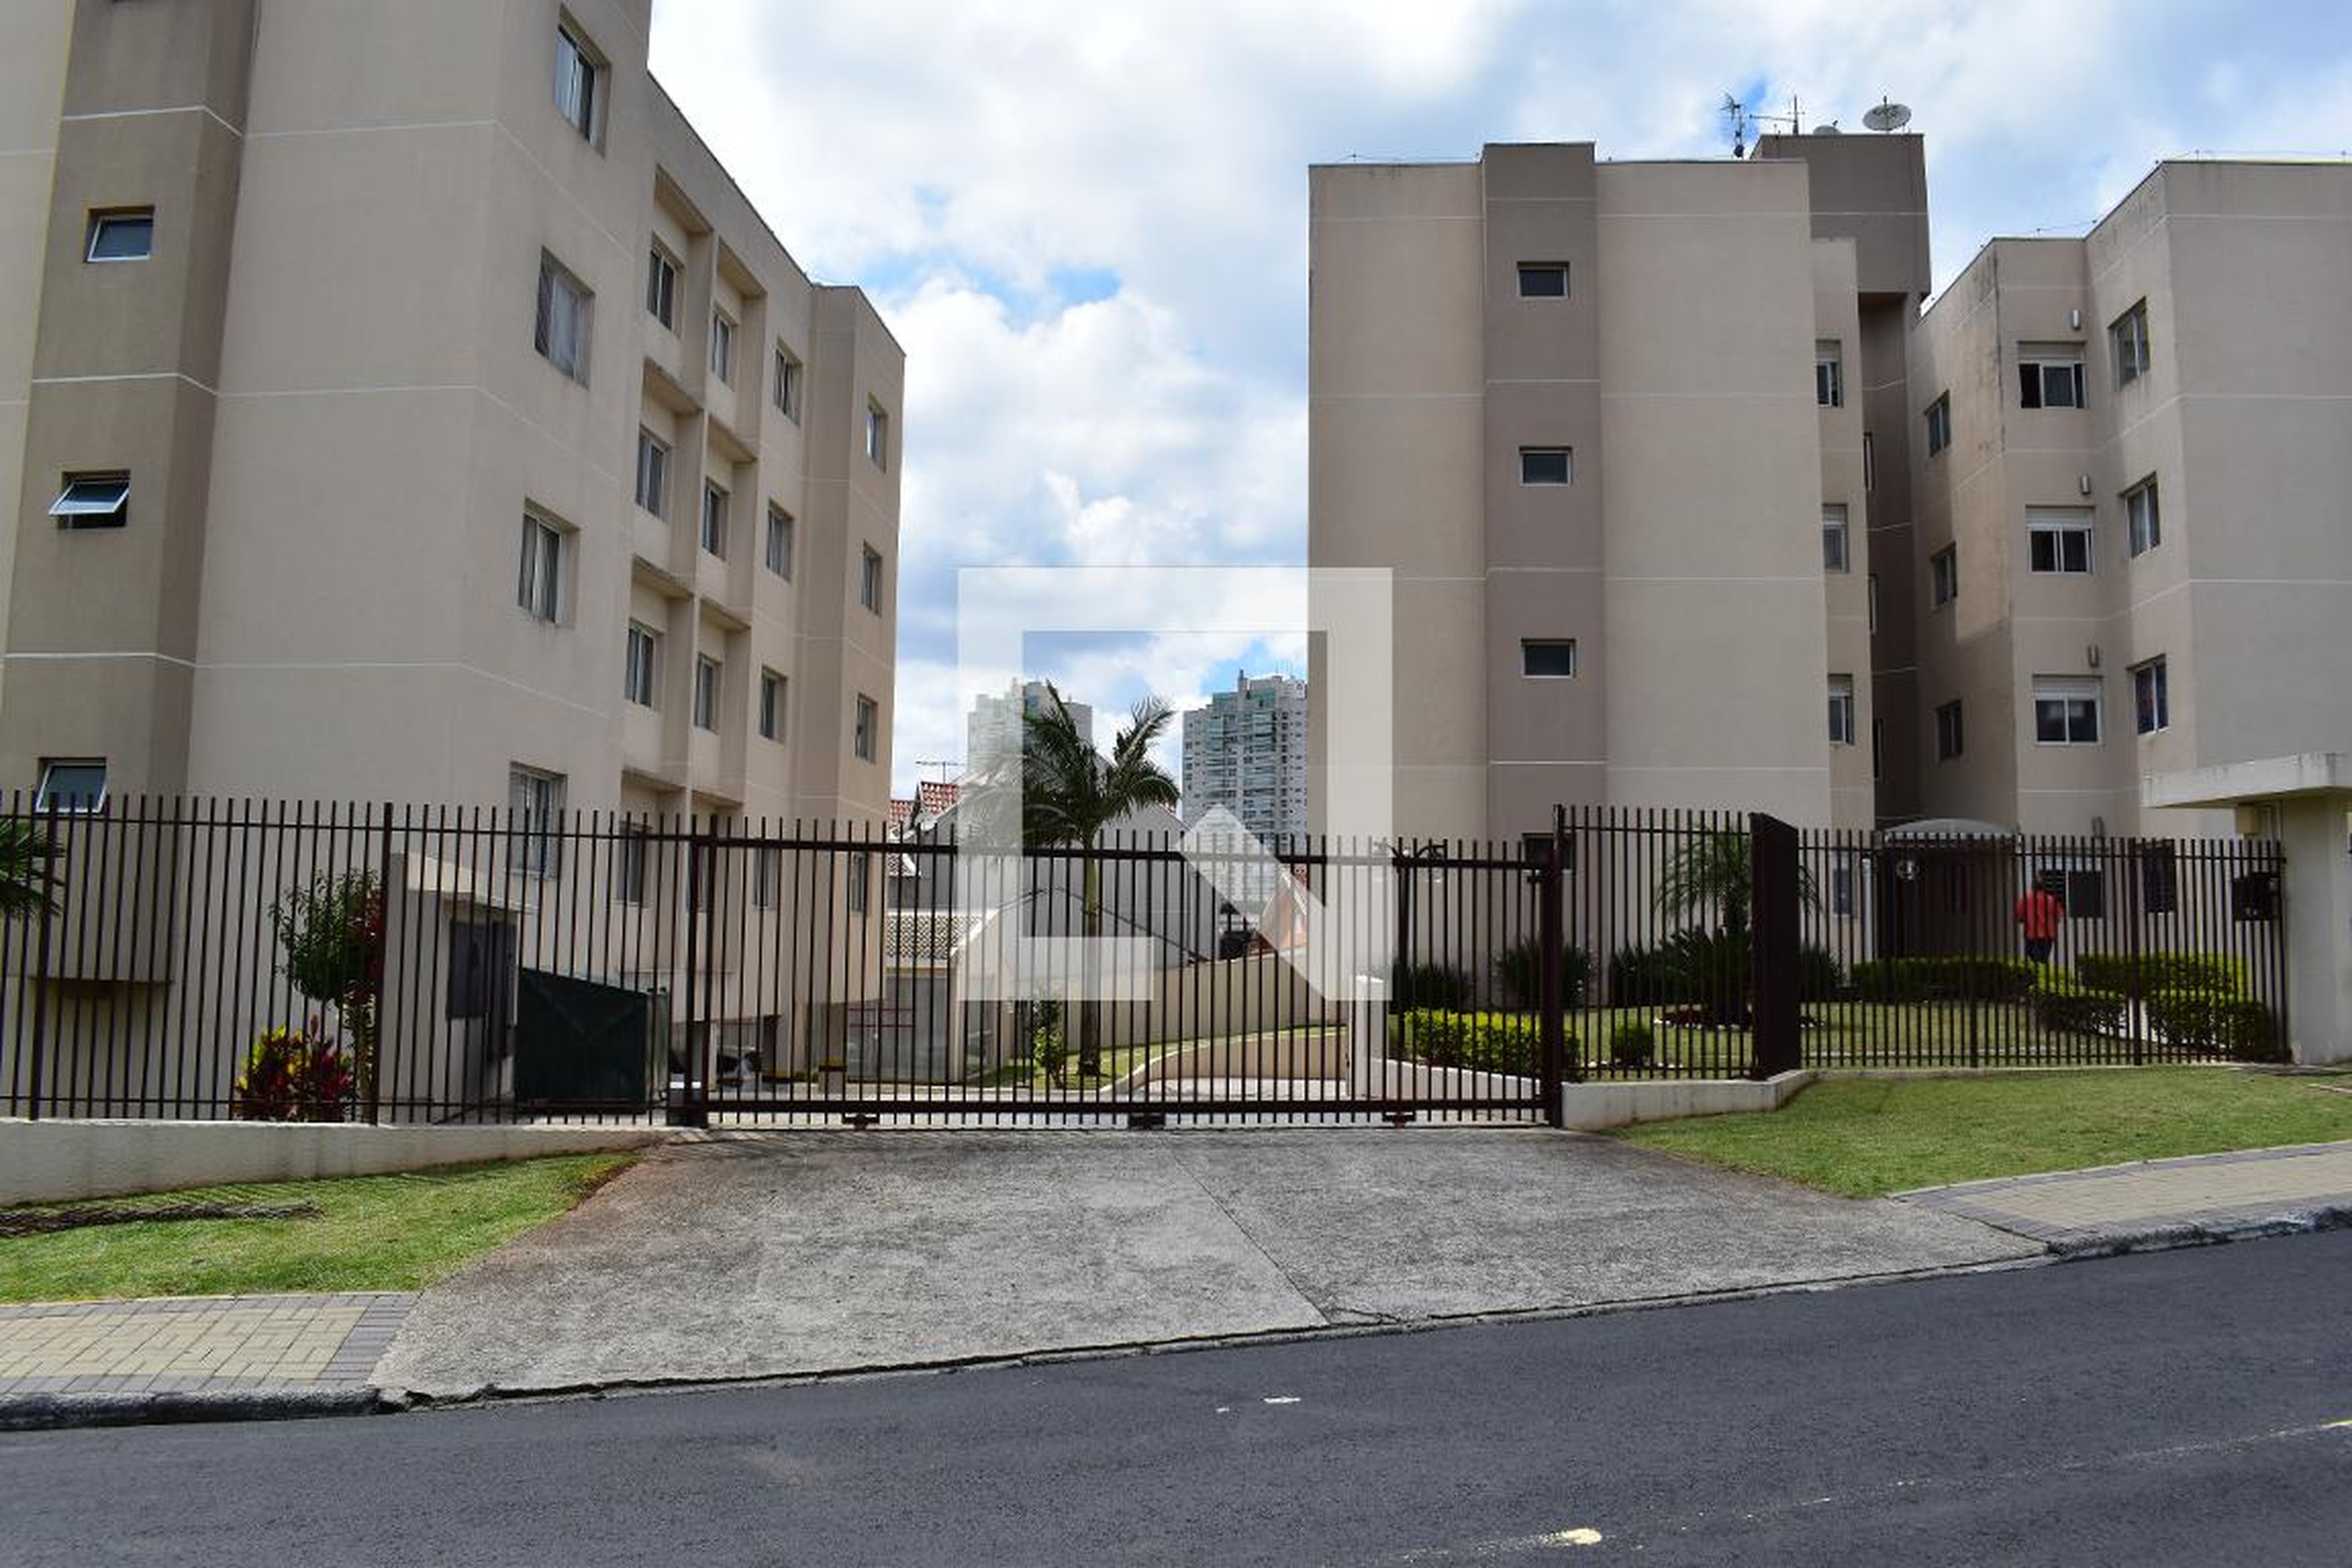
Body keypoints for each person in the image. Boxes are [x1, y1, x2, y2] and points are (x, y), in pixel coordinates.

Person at [2015, 881, 2064, 965]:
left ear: (2032, 888)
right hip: (2048, 936)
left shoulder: (2026, 899)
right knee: (2044, 960)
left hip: (2032, 935)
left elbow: (2019, 918)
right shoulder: (2051, 900)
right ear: (2043, 888)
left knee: (2034, 961)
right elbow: (2059, 918)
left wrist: (2028, 919)